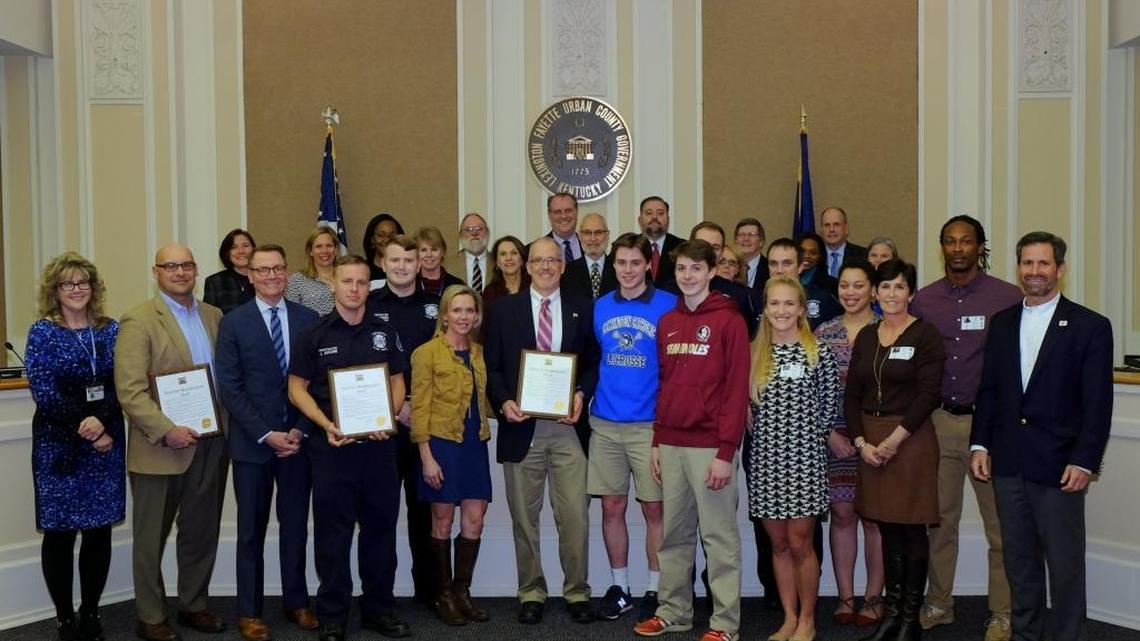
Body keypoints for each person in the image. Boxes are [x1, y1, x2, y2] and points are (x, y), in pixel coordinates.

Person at [970, 232, 1113, 641]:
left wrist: (1084, 460)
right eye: (1027, 263)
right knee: (1019, 561)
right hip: (1008, 463)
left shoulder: (1090, 326)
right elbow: (990, 391)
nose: (1034, 272)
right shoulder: (1002, 323)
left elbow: (1097, 405)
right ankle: (1025, 635)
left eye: (1043, 264)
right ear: (1018, 268)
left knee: (1065, 566)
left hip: (1061, 466)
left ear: (1060, 269)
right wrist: (980, 444)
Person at [287, 255, 410, 641]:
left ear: (367, 287)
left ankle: (378, 609)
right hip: (332, 450)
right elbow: (296, 388)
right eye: (347, 282)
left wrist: (385, 418)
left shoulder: (384, 332)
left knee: (380, 531)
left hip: (379, 450)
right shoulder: (313, 334)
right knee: (333, 535)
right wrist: (325, 424)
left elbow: (398, 381)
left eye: (361, 282)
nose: (355, 289)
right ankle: (333, 615)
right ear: (334, 286)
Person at [910, 216, 1021, 641]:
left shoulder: (1007, 298)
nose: (958, 248)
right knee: (939, 521)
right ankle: (938, 602)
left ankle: (1002, 613)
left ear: (980, 246)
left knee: (1000, 527)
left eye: (966, 241)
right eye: (950, 242)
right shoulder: (925, 300)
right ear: (942, 248)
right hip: (937, 423)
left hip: (988, 427)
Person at [634, 240, 749, 641]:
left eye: (696, 269)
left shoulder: (729, 321)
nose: (688, 276)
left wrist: (725, 452)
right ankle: (674, 612)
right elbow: (664, 386)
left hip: (711, 447)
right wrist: (656, 442)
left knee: (718, 538)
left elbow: (736, 390)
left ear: (712, 271)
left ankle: (725, 624)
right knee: (673, 535)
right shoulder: (667, 321)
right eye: (682, 269)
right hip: (671, 442)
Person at [115, 243, 228, 641]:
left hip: (210, 442)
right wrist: (167, 429)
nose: (180, 272)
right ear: (156, 271)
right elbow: (129, 392)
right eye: (171, 265)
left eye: (187, 265)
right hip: (159, 448)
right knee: (150, 538)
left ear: (197, 270)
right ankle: (150, 615)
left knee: (201, 530)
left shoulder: (214, 316)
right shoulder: (139, 320)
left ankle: (193, 603)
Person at [484, 236, 599, 625]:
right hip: (522, 429)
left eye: (553, 260)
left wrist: (582, 392)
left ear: (563, 267)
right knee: (524, 518)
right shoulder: (503, 311)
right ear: (527, 266)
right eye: (538, 260)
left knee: (575, 517)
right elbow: (493, 369)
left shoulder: (585, 309)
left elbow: (593, 364)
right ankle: (531, 590)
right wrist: (504, 403)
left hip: (569, 430)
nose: (546, 266)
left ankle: (578, 591)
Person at [215, 244, 319, 641]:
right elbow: (231, 385)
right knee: (250, 531)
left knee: (295, 526)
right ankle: (249, 611)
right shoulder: (234, 323)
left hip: (297, 441)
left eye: (278, 268)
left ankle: (296, 602)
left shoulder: (308, 319)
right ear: (251, 276)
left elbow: (317, 381)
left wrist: (298, 429)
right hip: (253, 445)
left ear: (287, 272)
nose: (271, 276)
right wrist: (266, 432)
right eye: (263, 270)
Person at [845, 259, 945, 641]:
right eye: (884, 287)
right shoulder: (867, 337)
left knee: (911, 528)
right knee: (886, 528)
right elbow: (852, 394)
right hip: (870, 440)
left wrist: (893, 440)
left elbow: (928, 394)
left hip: (911, 439)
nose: (890, 294)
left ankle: (909, 620)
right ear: (875, 292)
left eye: (899, 287)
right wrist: (861, 443)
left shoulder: (926, 335)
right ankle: (891, 613)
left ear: (911, 293)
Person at [26, 252, 124, 641]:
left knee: (99, 532)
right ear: (55, 290)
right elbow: (45, 391)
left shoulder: (111, 329)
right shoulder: (42, 332)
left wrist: (103, 422)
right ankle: (65, 617)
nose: (77, 289)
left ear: (94, 287)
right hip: (59, 447)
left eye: (83, 282)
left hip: (107, 441)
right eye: (68, 283)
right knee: (60, 534)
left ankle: (91, 612)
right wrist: (90, 428)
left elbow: (123, 382)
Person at [588, 233, 677, 622]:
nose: (627, 270)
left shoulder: (669, 307)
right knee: (611, 506)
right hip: (606, 423)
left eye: (634, 263)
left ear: (647, 265)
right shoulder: (600, 307)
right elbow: (594, 362)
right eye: (620, 263)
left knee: (655, 509)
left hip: (649, 426)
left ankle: (656, 589)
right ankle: (620, 586)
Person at [747, 276, 841, 641]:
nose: (781, 311)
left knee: (802, 543)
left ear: (802, 308)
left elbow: (828, 410)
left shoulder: (819, 353)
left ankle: (807, 620)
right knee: (780, 545)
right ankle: (788, 618)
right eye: (774, 304)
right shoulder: (755, 352)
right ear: (766, 310)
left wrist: (802, 446)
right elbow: (749, 411)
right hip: (766, 462)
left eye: (789, 304)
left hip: (803, 462)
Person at [410, 284, 493, 626]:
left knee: (475, 519)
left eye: (469, 311)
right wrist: (426, 457)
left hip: (474, 444)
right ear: (444, 315)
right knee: (442, 521)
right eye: (456, 310)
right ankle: (443, 594)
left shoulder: (478, 352)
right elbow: (419, 408)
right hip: (441, 445)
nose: (463, 316)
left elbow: (483, 398)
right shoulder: (426, 353)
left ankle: (462, 591)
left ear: (477, 316)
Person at [366, 235, 442, 609]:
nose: (401, 267)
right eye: (394, 260)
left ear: (419, 264)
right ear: (383, 263)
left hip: (425, 428)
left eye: (408, 261)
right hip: (382, 425)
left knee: (423, 513)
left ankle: (428, 592)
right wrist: (396, 408)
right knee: (380, 513)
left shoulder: (436, 307)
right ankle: (379, 596)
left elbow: (446, 365)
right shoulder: (366, 306)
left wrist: (418, 409)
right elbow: (362, 367)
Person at [813, 262, 884, 628]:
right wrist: (829, 434)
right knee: (842, 515)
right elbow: (811, 391)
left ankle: (873, 598)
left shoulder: (888, 330)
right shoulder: (823, 332)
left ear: (873, 290)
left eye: (859, 285)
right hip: (835, 436)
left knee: (874, 518)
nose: (851, 292)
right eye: (845, 285)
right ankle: (845, 597)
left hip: (878, 437)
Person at [767, 238, 841, 330]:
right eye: (773, 264)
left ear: (800, 267)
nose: (779, 270)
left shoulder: (823, 299)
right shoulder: (758, 301)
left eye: (787, 263)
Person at [479, 235, 529, 342]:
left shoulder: (534, 287)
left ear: (522, 260)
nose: (508, 258)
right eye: (503, 254)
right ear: (497, 262)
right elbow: (485, 331)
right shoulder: (490, 293)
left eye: (514, 253)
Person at [285, 226, 340, 316]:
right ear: (310, 251)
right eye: (318, 246)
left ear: (336, 249)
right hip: (311, 329)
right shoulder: (297, 281)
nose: (324, 251)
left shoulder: (347, 278)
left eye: (329, 246)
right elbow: (290, 316)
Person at [562, 212, 617, 300]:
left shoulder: (618, 269)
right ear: (579, 236)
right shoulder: (568, 271)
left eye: (598, 232)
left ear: (607, 235)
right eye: (587, 233)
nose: (593, 238)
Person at [203, 228, 257, 314]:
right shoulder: (214, 282)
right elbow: (210, 319)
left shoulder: (264, 278)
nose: (241, 251)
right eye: (234, 247)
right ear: (227, 253)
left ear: (254, 250)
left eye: (245, 245)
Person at [638, 196, 685, 285]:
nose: (654, 217)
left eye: (660, 213)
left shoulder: (682, 247)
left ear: (668, 219)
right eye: (648, 213)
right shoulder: (630, 247)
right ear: (640, 220)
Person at [415, 226, 464, 297]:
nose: (429, 255)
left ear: (443, 251)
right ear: (416, 253)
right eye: (423, 250)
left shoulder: (457, 285)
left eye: (434, 249)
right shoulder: (409, 284)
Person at [447, 212, 490, 292]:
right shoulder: (448, 265)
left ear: (487, 232)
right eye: (468, 230)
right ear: (460, 236)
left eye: (479, 229)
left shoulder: (498, 262)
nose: (474, 233)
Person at [820, 207, 868, 278]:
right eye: (827, 225)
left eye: (836, 225)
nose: (831, 229)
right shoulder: (815, 256)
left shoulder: (863, 255)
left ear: (846, 228)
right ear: (821, 230)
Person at [362, 213, 405, 283]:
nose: (387, 240)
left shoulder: (406, 269)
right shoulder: (363, 270)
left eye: (392, 236)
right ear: (372, 239)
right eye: (381, 235)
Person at [735, 218, 769, 291]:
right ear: (736, 241)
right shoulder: (727, 267)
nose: (746, 239)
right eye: (742, 235)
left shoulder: (770, 267)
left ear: (761, 242)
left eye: (751, 234)